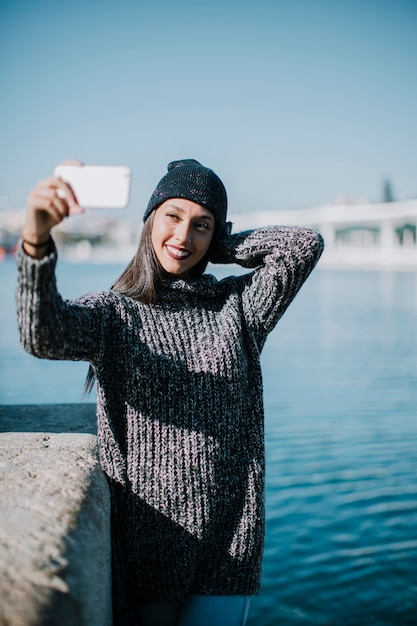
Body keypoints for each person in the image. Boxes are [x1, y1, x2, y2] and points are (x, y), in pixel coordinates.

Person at [16, 158, 324, 626]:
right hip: (147, 551)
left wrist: (221, 243)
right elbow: (43, 334)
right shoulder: (114, 314)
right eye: (173, 216)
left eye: (201, 225)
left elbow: (302, 246)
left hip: (228, 551)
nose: (183, 236)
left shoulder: (239, 308)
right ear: (150, 221)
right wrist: (37, 241)